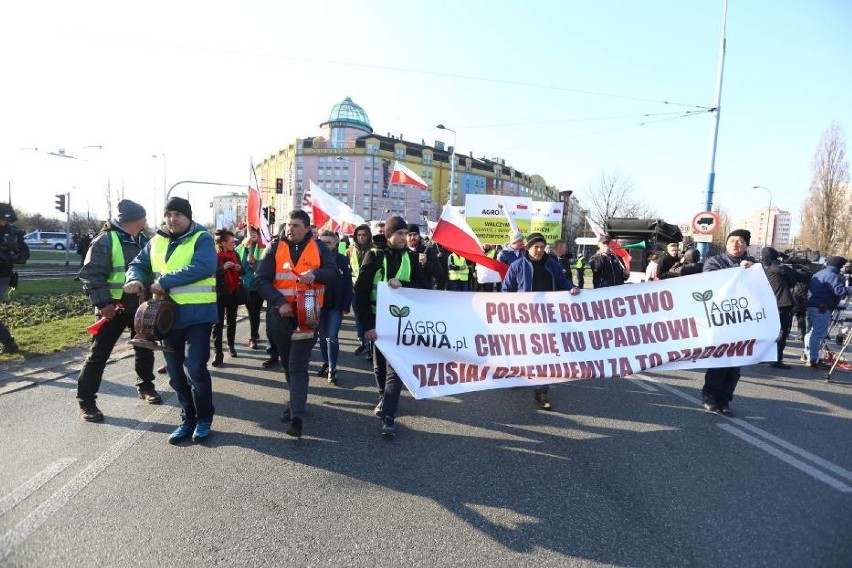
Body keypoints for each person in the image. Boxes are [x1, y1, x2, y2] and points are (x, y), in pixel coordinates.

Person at [125, 197, 218, 444]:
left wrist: (164, 282)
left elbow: (204, 267)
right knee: (176, 374)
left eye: (178, 214)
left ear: (188, 217)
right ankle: (187, 419)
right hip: (166, 319)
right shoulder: (156, 241)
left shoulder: (202, 238)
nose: (172, 219)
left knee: (195, 368)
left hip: (198, 315)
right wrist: (134, 278)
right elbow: (138, 263)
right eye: (168, 214)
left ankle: (205, 419)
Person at [255, 209, 337, 439]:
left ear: (308, 228)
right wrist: (279, 302)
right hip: (280, 315)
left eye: (296, 225)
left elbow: (333, 275)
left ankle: (297, 417)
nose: (291, 229)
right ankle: (295, 401)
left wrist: (316, 273)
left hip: (308, 316)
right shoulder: (274, 247)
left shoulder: (319, 248)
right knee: (287, 362)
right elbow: (261, 279)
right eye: (289, 224)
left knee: (298, 364)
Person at [76, 200, 160, 422]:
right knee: (99, 356)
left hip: (140, 308)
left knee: (144, 349)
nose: (146, 221)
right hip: (113, 310)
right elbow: (90, 274)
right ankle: (86, 402)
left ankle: (146, 387)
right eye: (144, 218)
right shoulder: (105, 240)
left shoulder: (143, 240)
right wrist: (104, 304)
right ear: (137, 220)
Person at [354, 215, 428, 437]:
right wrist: (367, 326)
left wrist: (403, 284)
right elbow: (361, 292)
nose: (405, 238)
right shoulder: (374, 256)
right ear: (389, 235)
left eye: (406, 234)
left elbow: (423, 287)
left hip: (402, 323)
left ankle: (388, 415)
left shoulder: (412, 258)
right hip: (378, 319)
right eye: (400, 234)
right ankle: (383, 397)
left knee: (394, 369)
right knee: (379, 366)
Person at [503, 233, 580, 410]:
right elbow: (506, 289)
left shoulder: (551, 264)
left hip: (547, 318)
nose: (539, 250)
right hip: (523, 318)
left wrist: (572, 288)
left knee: (545, 355)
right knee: (522, 350)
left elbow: (562, 281)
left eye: (542, 246)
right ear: (528, 247)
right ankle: (519, 376)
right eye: (535, 246)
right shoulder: (517, 266)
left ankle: (541, 391)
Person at [700, 229, 756, 414]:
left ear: (746, 245)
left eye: (740, 241)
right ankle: (710, 396)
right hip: (720, 319)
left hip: (743, 321)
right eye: (732, 240)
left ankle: (725, 400)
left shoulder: (754, 266)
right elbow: (712, 281)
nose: (735, 244)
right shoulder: (715, 262)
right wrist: (738, 271)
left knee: (735, 365)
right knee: (719, 360)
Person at [761, 247, 810, 370]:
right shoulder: (780, 268)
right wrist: (802, 268)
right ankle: (777, 359)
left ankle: (763, 356)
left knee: (766, 332)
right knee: (781, 333)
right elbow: (801, 278)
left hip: (765, 305)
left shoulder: (758, 268)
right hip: (782, 305)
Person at [317, 230, 353, 384]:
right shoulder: (316, 259)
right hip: (319, 304)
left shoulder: (342, 260)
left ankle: (332, 368)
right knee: (323, 338)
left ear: (335, 243)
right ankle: (326, 362)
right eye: (323, 242)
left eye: (329, 242)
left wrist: (346, 305)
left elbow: (347, 284)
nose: (326, 245)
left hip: (335, 306)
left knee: (332, 337)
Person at [804, 256, 852, 370]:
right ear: (839, 265)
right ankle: (813, 359)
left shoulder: (819, 273)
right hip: (822, 307)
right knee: (818, 333)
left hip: (812, 305)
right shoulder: (832, 275)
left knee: (811, 332)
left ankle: (808, 354)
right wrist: (850, 289)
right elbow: (839, 290)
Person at [211, 228, 242, 367]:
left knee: (232, 321)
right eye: (231, 242)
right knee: (217, 324)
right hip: (218, 293)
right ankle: (218, 352)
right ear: (223, 243)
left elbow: (244, 270)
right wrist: (222, 268)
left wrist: (238, 268)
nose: (233, 244)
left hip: (233, 292)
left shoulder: (235, 254)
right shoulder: (213, 255)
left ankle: (231, 346)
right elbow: (209, 273)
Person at [0, 203, 29, 354]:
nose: (4, 222)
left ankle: (9, 343)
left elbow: (24, 256)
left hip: (3, 275)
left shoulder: (14, 233)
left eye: (6, 219)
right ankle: (9, 344)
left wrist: (9, 256)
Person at [346, 224, 373, 357]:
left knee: (367, 317)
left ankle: (369, 347)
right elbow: (348, 269)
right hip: (355, 289)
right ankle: (363, 342)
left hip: (369, 289)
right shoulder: (350, 249)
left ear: (368, 236)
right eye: (359, 235)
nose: (361, 237)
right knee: (358, 318)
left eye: (364, 235)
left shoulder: (373, 250)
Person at [236, 226, 263, 350]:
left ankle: (253, 336)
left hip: (258, 286)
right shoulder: (240, 248)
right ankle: (254, 333)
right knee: (251, 312)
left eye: (255, 232)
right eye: (250, 232)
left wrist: (255, 262)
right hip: (245, 286)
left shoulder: (263, 248)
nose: (252, 234)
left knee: (255, 312)